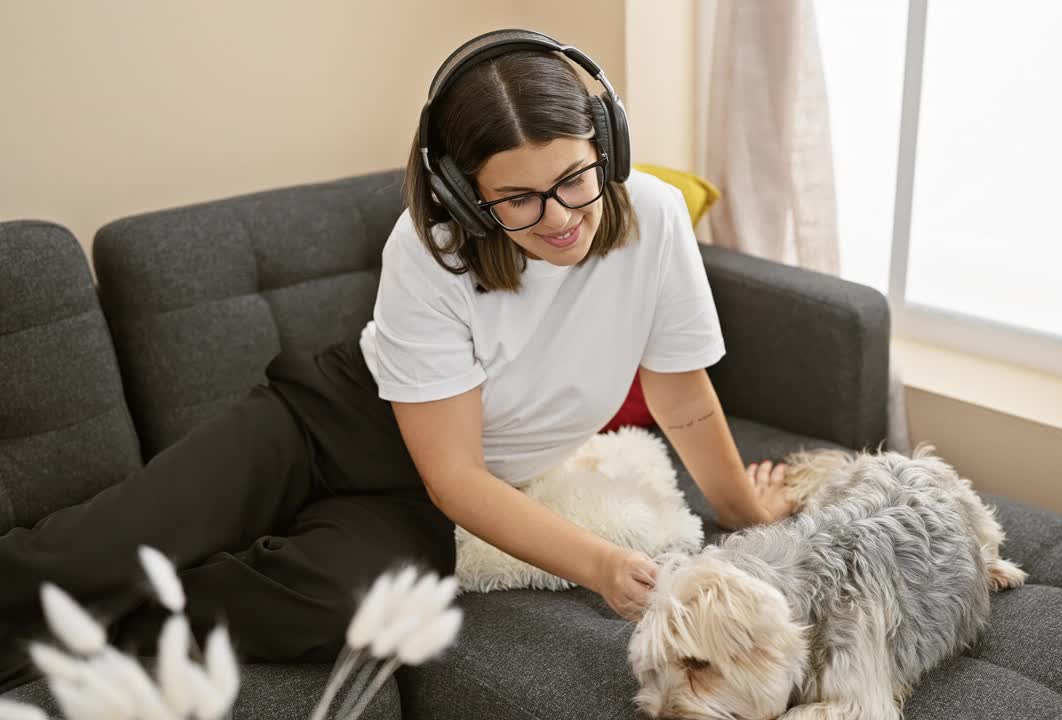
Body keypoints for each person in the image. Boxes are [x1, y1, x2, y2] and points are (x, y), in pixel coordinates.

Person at [0, 29, 796, 694]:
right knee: (95, 550)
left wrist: (741, 510)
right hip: (328, 423)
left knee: (340, 610)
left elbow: (681, 398)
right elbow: (455, 471)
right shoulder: (433, 250)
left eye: (573, 179)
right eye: (517, 199)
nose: (559, 220)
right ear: (462, 193)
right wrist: (599, 564)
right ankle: (71, 591)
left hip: (429, 493)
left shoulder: (653, 221)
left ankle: (98, 624)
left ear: (607, 146)